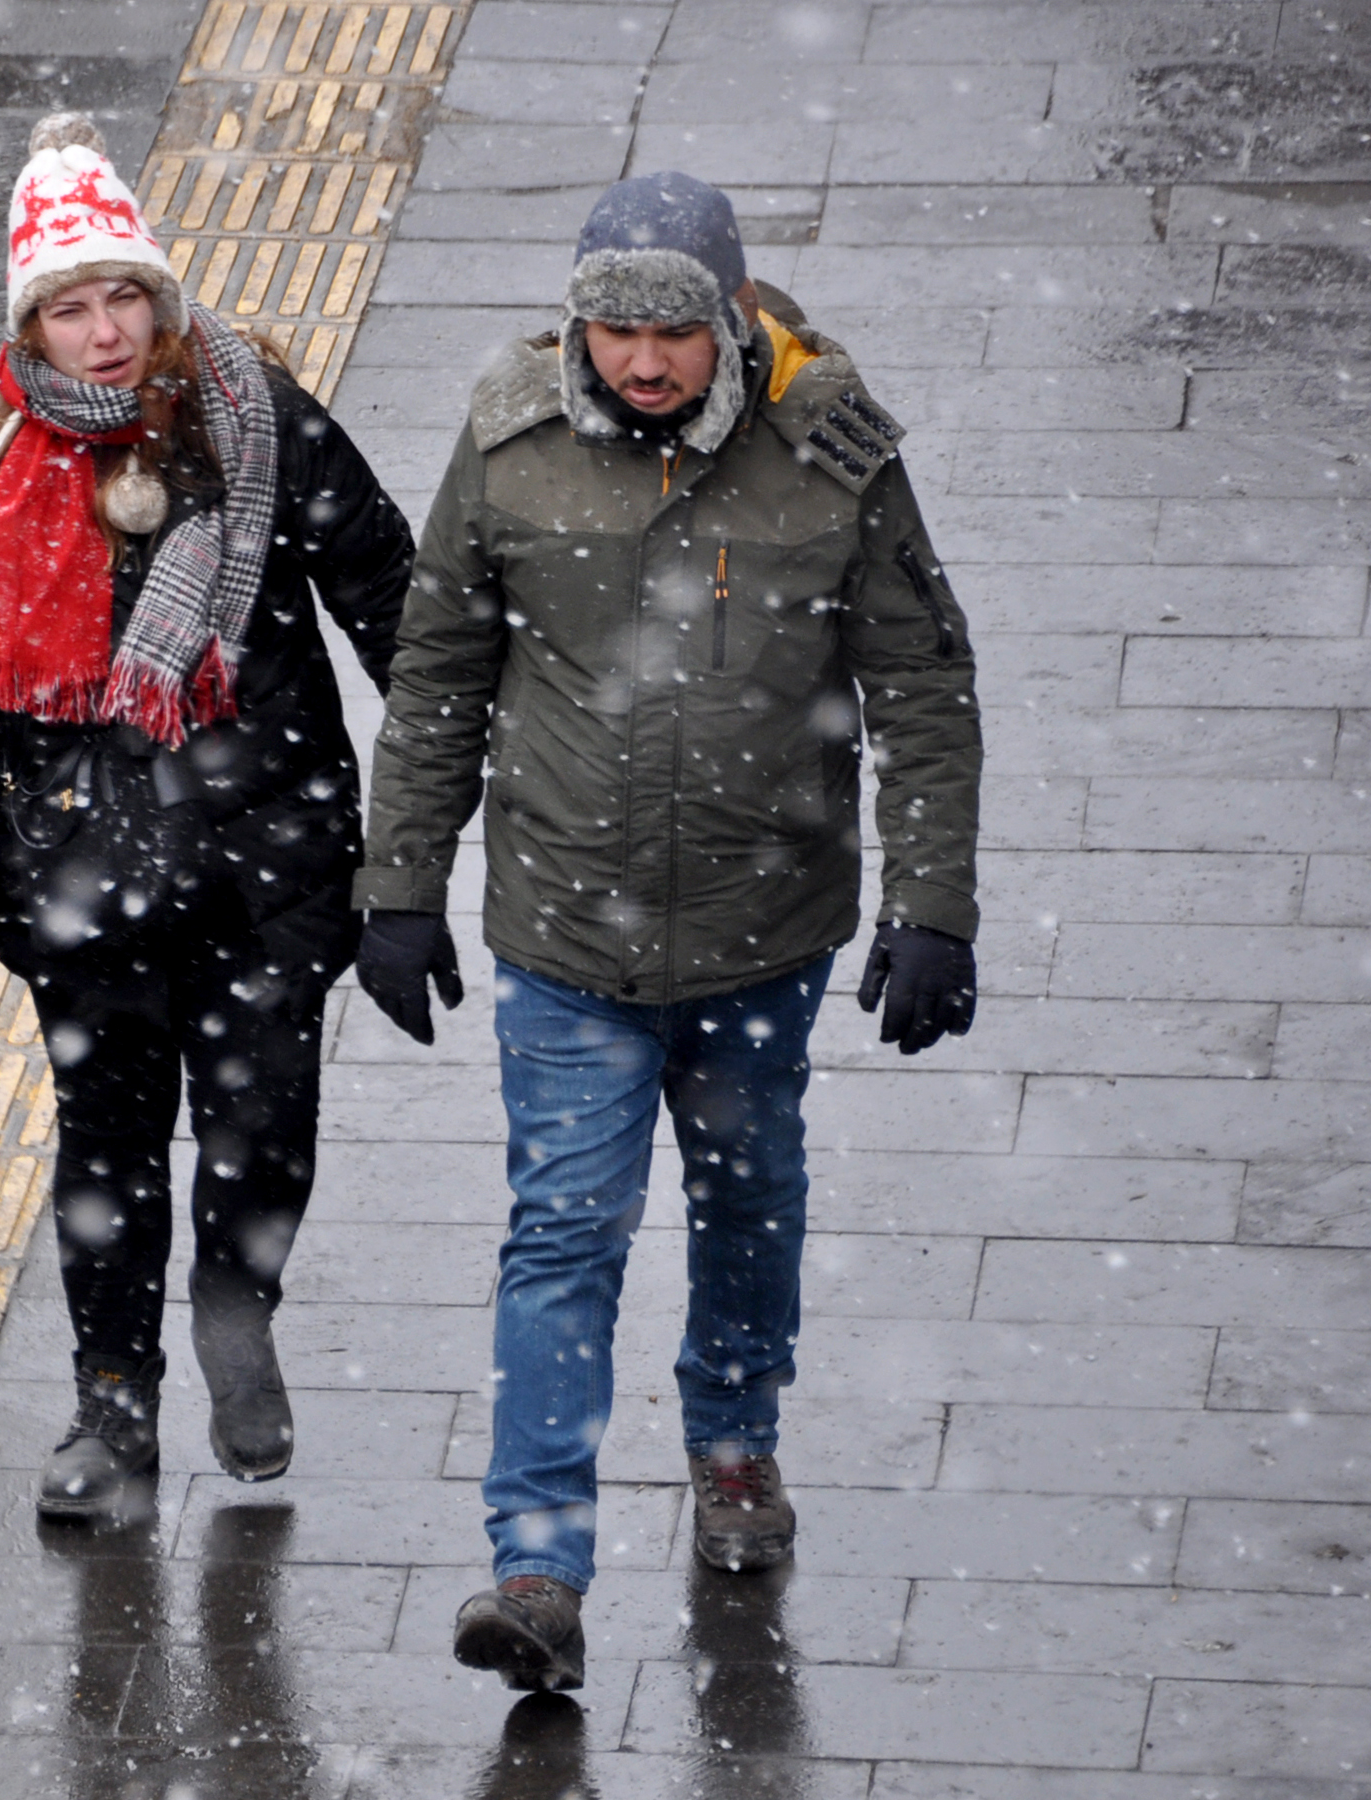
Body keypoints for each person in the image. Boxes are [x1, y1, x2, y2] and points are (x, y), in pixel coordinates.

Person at [354, 172, 982, 1691]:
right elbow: (438, 669)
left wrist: (933, 906)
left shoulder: (832, 454)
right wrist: (397, 884)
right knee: (561, 1231)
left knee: (749, 1195)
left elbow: (922, 684)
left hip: (767, 931)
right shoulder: (511, 446)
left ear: (732, 323)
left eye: (674, 331)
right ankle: (536, 1562)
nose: (642, 361)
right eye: (615, 326)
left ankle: (735, 1442)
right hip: (567, 933)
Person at [0, 114, 413, 1519]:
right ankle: (111, 1411)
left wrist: (421, 841)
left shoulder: (254, 417)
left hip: (270, 851)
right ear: (33, 322)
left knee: (264, 1114)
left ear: (161, 299)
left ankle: (237, 1311)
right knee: (104, 1142)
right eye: (72, 305)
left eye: (126, 297)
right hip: (78, 861)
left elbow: (396, 610)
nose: (106, 331)